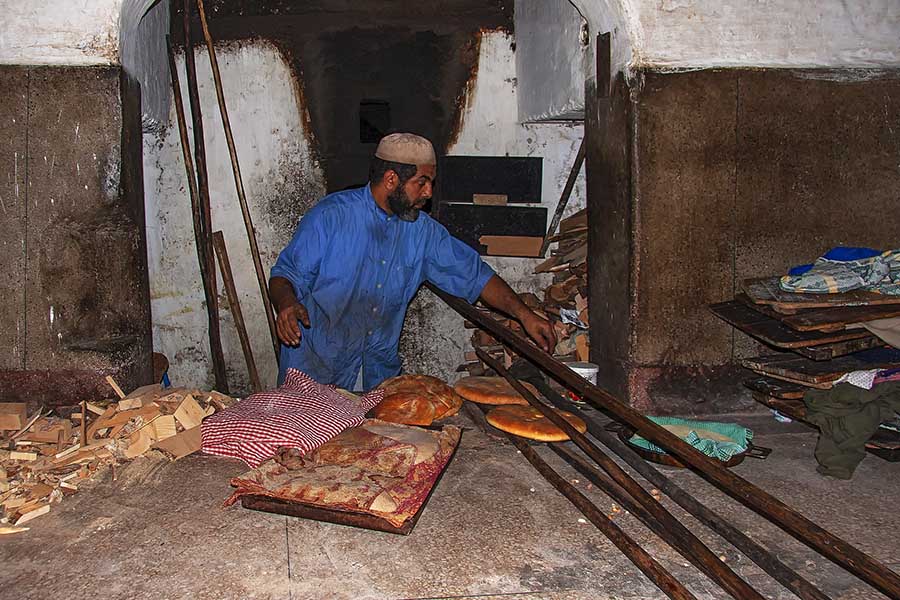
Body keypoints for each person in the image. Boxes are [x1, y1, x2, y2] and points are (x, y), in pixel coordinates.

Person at [268, 132, 556, 390]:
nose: (429, 193)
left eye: (430, 182)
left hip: (376, 377)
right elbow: (284, 275)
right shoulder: (330, 217)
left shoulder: (424, 232)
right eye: (422, 182)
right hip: (315, 372)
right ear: (391, 179)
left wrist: (524, 313)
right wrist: (286, 305)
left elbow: (475, 276)